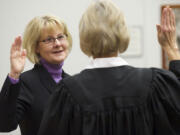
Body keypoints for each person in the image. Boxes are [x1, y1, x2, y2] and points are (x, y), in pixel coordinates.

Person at [38, 1, 180, 135]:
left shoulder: (68, 92)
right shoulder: (153, 84)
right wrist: (172, 49)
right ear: (123, 32)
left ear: (84, 36)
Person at [0, 15, 72, 135]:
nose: (57, 43)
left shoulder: (73, 82)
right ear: (36, 47)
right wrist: (14, 74)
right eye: (49, 39)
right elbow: (4, 124)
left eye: (60, 37)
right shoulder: (25, 81)